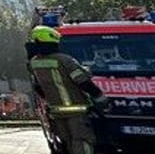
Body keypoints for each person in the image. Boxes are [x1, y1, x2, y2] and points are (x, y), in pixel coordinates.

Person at [27, 25, 107, 154]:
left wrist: (51, 100)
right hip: (77, 110)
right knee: (82, 141)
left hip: (56, 111)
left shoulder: (34, 63)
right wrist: (100, 97)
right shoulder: (65, 60)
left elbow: (37, 87)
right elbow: (83, 82)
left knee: (67, 143)